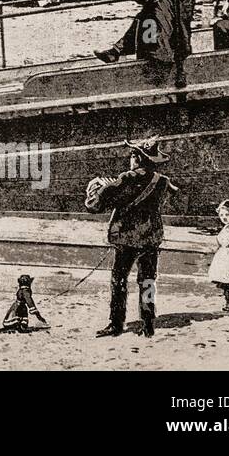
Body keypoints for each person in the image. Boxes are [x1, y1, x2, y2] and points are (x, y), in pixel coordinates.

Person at [86, 137, 178, 338]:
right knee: (148, 280)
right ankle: (148, 323)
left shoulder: (126, 178)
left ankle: (116, 324)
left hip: (127, 238)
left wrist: (98, 187)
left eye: (132, 156)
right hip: (151, 237)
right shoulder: (161, 181)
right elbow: (173, 200)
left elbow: (94, 205)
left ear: (137, 158)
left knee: (119, 280)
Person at [94, 0, 194, 76]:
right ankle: (115, 51)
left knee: (146, 13)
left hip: (164, 41)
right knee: (146, 12)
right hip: (180, 39)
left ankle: (115, 51)